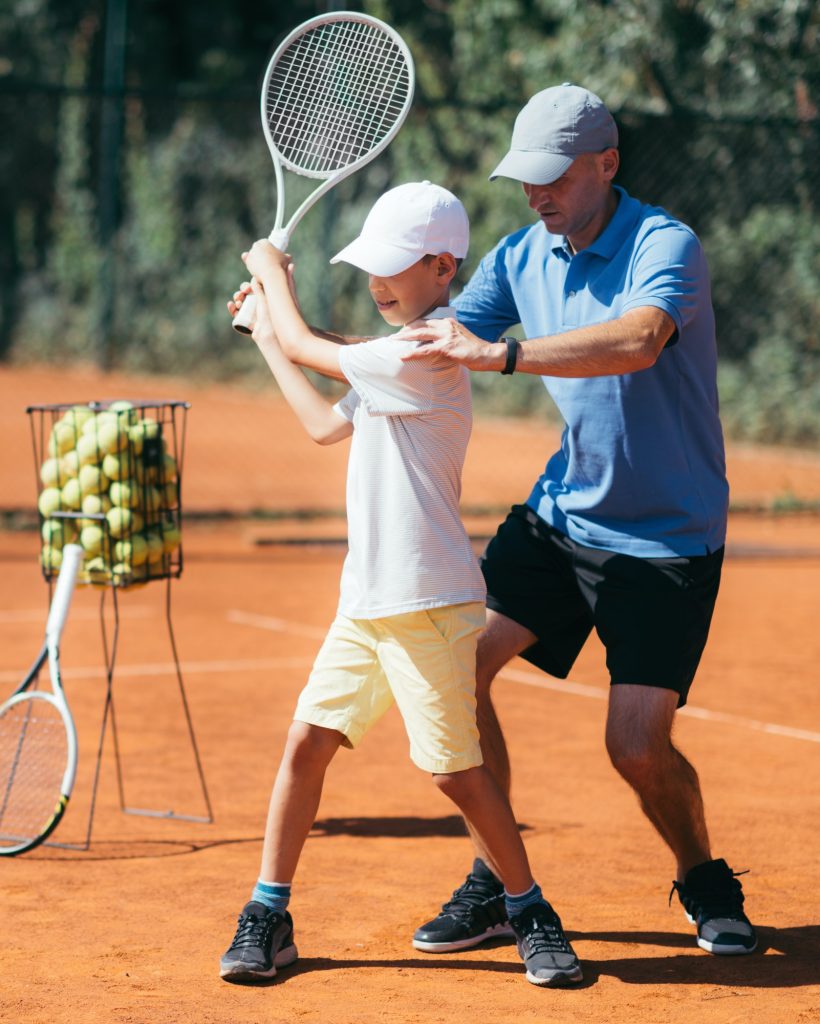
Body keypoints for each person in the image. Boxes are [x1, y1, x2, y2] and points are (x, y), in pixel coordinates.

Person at [400, 86, 757, 958]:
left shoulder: (663, 244)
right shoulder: (525, 254)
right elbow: (428, 339)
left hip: (665, 537)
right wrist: (283, 320)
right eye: (525, 179)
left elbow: (637, 339)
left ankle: (702, 877)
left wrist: (507, 354)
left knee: (636, 747)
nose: (536, 195)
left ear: (607, 163)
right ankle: (497, 881)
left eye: (554, 176)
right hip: (561, 519)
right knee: (457, 673)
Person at [218, 181, 583, 987]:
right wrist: (267, 337)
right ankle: (268, 913)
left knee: (455, 772)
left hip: (427, 604)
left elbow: (318, 347)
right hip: (366, 603)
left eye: (393, 268)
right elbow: (322, 424)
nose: (377, 283)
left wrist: (272, 274)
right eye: (370, 268)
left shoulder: (431, 348)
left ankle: (528, 911)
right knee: (306, 746)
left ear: (443, 266)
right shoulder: (392, 360)